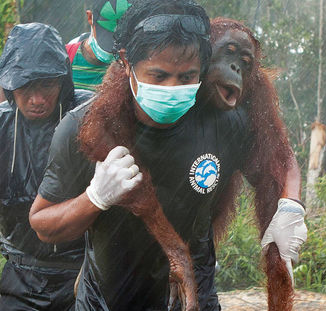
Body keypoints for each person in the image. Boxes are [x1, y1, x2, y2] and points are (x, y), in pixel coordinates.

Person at [30, 1, 306, 311]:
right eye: (159, 77)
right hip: (108, 299)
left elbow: (278, 157)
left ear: (201, 64)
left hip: (193, 295)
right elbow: (42, 223)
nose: (172, 88)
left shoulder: (229, 121)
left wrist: (289, 206)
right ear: (126, 65)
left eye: (186, 78)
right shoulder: (89, 124)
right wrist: (94, 198)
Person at [0, 23, 94, 310]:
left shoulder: (89, 117)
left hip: (84, 272)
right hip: (20, 273)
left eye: (47, 85)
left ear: (63, 81)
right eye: (26, 86)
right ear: (9, 85)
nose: (37, 99)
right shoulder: (2, 127)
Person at [65, 0, 131, 91]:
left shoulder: (135, 66)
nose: (113, 50)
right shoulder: (65, 57)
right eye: (108, 36)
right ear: (90, 18)